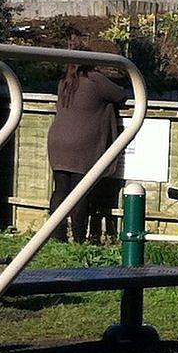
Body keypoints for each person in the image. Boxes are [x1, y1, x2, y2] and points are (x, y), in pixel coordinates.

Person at [46, 59, 131, 244]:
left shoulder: (65, 82)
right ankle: (79, 238)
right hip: (82, 143)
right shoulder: (95, 80)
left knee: (60, 189)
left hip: (58, 140)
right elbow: (120, 95)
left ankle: (57, 236)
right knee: (81, 191)